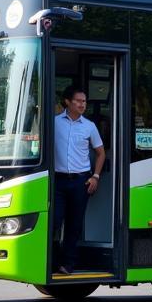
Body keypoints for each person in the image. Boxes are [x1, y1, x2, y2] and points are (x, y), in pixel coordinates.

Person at [53, 87, 105, 275]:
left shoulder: (89, 126)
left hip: (80, 181)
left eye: (84, 101)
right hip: (57, 181)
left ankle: (68, 264)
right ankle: (51, 260)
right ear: (67, 102)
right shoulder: (54, 123)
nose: (83, 104)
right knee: (54, 221)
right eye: (78, 101)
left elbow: (101, 153)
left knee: (74, 225)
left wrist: (95, 177)